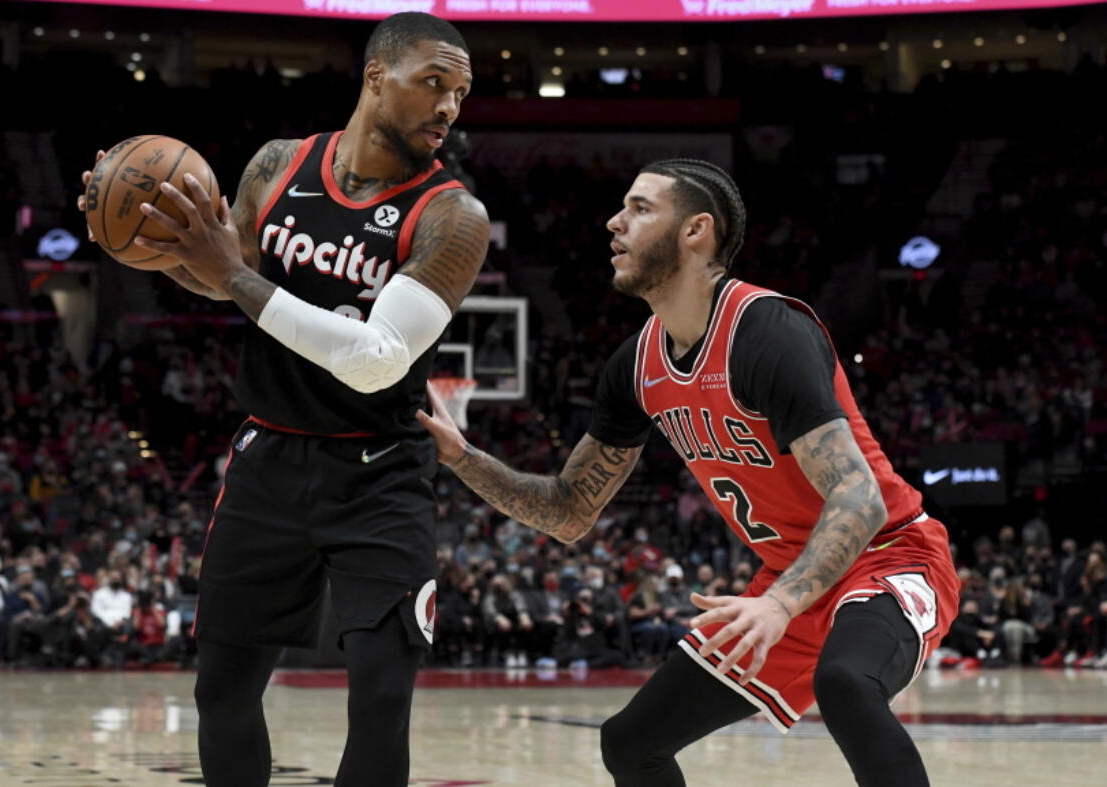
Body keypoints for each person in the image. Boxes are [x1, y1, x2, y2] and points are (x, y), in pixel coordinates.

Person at [417, 159, 959, 786]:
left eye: (641, 208)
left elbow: (858, 497)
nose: (614, 223)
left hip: (890, 555)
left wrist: (780, 603)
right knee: (631, 742)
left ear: (697, 230)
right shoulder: (635, 365)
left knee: (845, 682)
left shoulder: (767, 331)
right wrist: (463, 458)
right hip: (790, 581)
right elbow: (569, 511)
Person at [76, 12, 487, 787]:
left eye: (460, 93)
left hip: (381, 470)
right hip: (268, 454)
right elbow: (223, 270)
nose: (448, 107)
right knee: (221, 689)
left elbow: (376, 360)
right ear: (375, 76)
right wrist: (142, 232)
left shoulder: (452, 216)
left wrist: (227, 271)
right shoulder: (279, 164)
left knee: (380, 697)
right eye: (433, 83)